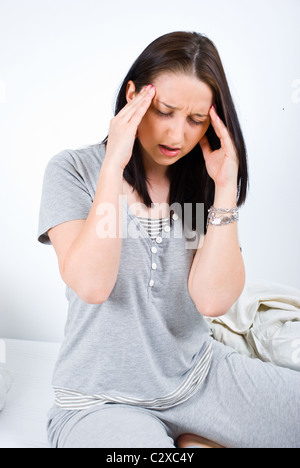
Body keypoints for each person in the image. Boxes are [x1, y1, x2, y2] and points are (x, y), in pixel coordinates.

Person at [38, 31, 300, 448]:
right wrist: (114, 165)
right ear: (133, 96)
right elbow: (91, 284)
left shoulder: (201, 183)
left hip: (198, 378)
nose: (178, 135)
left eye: (196, 120)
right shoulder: (74, 171)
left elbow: (213, 301)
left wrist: (226, 188)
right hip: (101, 402)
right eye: (164, 111)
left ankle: (196, 437)